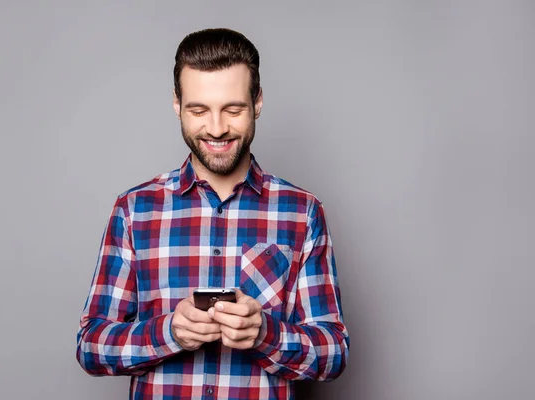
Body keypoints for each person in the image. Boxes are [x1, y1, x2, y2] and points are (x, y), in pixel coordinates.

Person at [76, 28, 349, 400]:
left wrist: (265, 334)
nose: (217, 128)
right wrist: (168, 332)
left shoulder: (302, 213)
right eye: (199, 109)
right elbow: (91, 346)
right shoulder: (134, 210)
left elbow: (333, 354)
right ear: (177, 104)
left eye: (233, 109)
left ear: (258, 103)